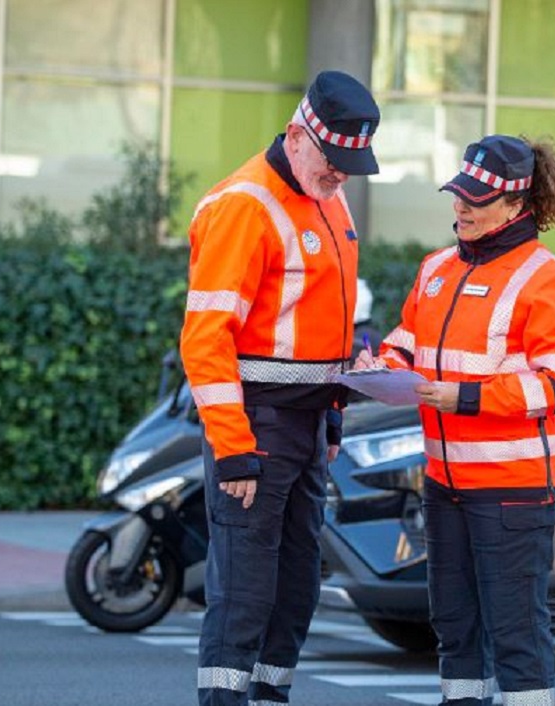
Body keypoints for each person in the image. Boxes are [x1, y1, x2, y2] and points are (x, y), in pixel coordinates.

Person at [357, 134, 555, 706]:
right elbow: (406, 345)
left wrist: (460, 398)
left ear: (516, 206)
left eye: (475, 198)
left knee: (516, 637)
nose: (459, 206)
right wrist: (379, 367)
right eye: (458, 192)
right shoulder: (436, 268)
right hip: (445, 486)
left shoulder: (552, 283)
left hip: (513, 495)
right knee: (455, 631)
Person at [181, 70, 380, 706]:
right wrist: (234, 448)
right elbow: (205, 339)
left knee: (295, 587)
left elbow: (319, 325)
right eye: (333, 161)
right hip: (257, 428)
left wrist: (333, 417)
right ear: (298, 137)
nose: (342, 175)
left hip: (304, 424)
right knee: (244, 590)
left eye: (352, 163)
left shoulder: (325, 193)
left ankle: (268, 697)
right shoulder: (245, 204)